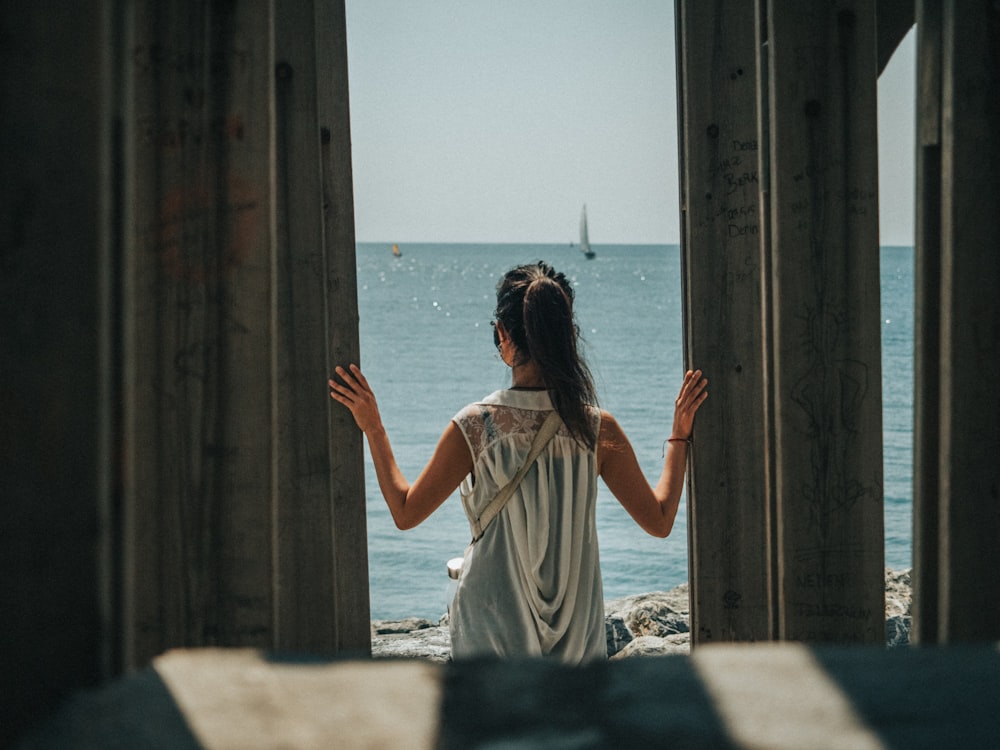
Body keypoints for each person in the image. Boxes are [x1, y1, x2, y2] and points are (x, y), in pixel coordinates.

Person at [329, 260, 707, 663]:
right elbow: (661, 519)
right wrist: (680, 433)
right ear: (567, 336)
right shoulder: (596, 429)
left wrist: (374, 428)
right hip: (577, 641)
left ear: (502, 335)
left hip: (489, 629)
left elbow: (406, 512)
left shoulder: (477, 426)